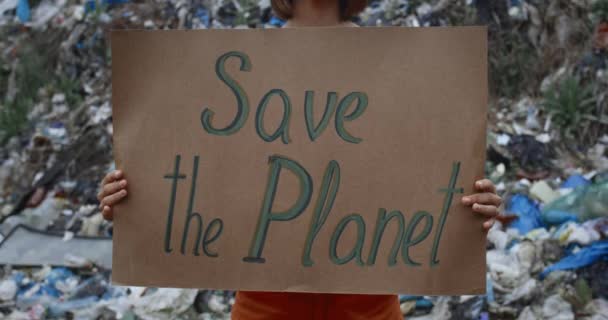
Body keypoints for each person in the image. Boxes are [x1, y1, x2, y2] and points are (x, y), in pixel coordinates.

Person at [99, 0, 502, 319]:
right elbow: (202, 185)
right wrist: (134, 203)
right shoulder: (236, 70)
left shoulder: (403, 66)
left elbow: (427, 179)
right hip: (264, 311)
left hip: (368, 310)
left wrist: (475, 205)